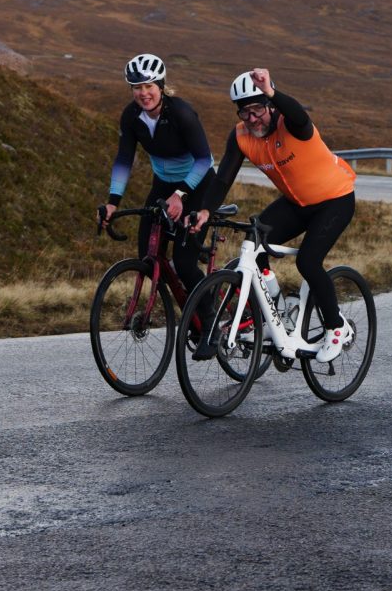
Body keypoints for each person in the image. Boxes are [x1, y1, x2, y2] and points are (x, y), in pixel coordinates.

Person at [194, 68, 357, 363]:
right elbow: (223, 179)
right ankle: (276, 314)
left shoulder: (290, 124)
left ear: (270, 105)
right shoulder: (242, 136)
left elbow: (299, 115)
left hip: (335, 200)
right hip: (296, 203)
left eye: (257, 110)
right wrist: (206, 209)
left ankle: (336, 327)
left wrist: (270, 91)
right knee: (254, 242)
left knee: (308, 261)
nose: (252, 118)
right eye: (245, 112)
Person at [99, 53, 214, 295]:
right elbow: (124, 159)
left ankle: (208, 315)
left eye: (148, 86)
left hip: (197, 186)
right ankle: (174, 309)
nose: (143, 93)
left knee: (184, 264)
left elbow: (204, 159)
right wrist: (112, 202)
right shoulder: (131, 116)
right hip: (163, 184)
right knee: (148, 258)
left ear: (160, 86)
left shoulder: (181, 113)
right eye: (137, 87)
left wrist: (180, 194)